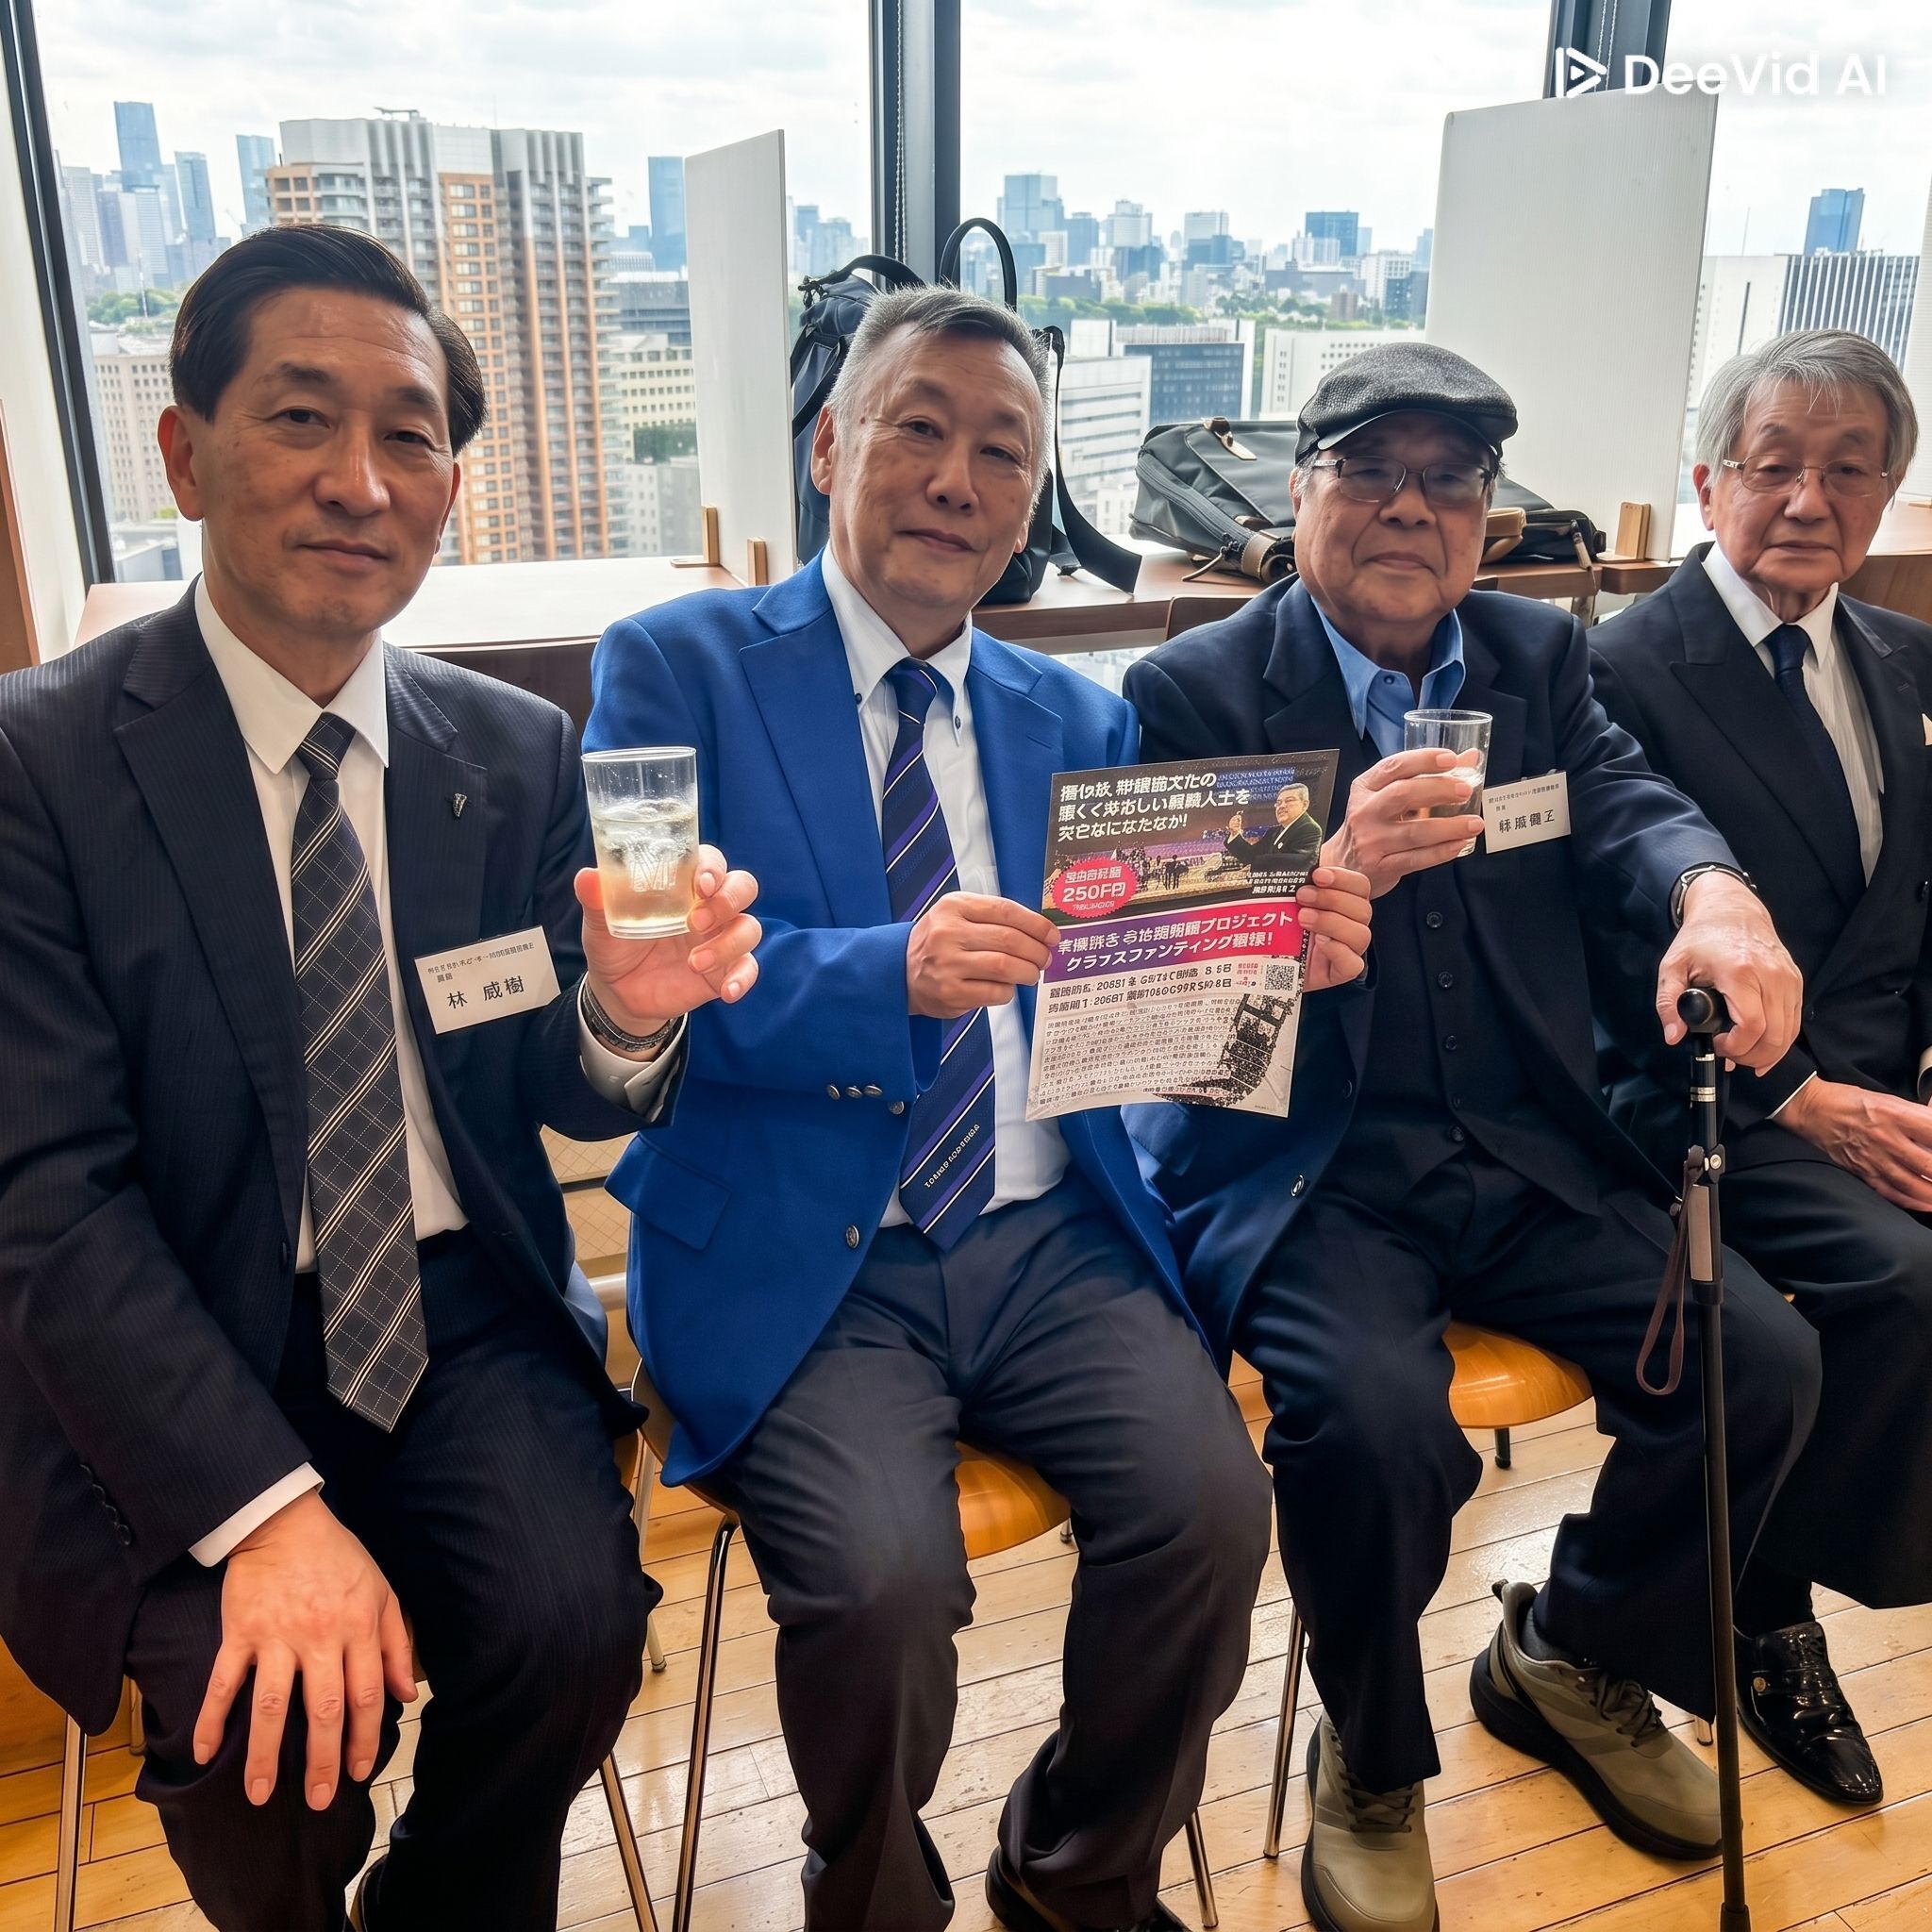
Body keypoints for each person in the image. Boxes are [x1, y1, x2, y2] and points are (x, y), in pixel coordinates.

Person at [0, 225, 763, 1932]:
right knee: (263, 1727)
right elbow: (45, 1206)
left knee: (574, 1627)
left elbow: (565, 1092)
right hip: (169, 1326)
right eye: (300, 418)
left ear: (449, 490)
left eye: (407, 437)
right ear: (183, 453)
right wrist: (262, 1511)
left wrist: (628, 1012)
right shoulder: (37, 763)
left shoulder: (510, 750)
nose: (359, 481)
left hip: (452, 1312)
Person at [584, 286, 1373, 1932]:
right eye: (919, 429)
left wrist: (1264, 961)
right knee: (880, 1587)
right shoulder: (672, 666)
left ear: (1030, 503)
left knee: (1211, 1512)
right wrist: (891, 972)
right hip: (804, 1247)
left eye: (1003, 451)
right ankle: (871, 1897)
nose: (957, 478)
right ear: (829, 447)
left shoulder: (1082, 713)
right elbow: (653, 979)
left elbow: (1139, 1020)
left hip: (1046, 1235)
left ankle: (1076, 1871)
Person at [1123, 341, 1823, 1932]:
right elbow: (1161, 999)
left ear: (1487, 516)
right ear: (1298, 490)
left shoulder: (1531, 653)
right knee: (1374, 1428)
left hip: (1521, 1148)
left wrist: (1712, 894)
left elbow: (1626, 805)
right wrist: (1324, 864)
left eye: (1448, 480)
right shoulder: (1192, 689)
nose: (1409, 508)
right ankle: (1370, 1758)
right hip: (1308, 1173)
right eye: (1370, 470)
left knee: (1760, 1361)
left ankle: (1572, 1650)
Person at [1591, 327, 1932, 1807]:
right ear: (1707, 480)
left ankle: (1749, 1581)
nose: (1808, 499)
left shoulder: (1908, 659)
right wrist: (1804, 1102)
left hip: (1881, 1088)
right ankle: (1772, 1605)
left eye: (1849, 470)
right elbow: (1605, 943)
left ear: (1888, 494)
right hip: (1693, 1096)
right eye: (1774, 464)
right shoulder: (1617, 669)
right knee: (1905, 1282)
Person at [1224, 781, 1324, 875]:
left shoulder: (1310, 829)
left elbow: (1298, 862)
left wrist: (1255, 863)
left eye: (1289, 800)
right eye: (1279, 803)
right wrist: (1235, 833)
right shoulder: (1273, 832)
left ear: (1305, 804)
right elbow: (1250, 855)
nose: (1282, 806)